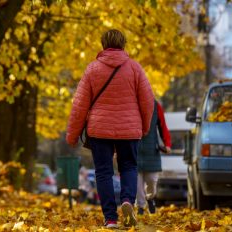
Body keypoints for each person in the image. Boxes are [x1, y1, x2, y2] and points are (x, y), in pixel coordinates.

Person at [66, 29, 154, 228]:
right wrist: (145, 127)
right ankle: (127, 201)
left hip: (100, 129)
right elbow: (148, 102)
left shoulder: (92, 69)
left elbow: (79, 105)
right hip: (129, 128)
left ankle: (110, 219)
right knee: (129, 167)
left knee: (104, 172)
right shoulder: (134, 68)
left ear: (103, 44)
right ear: (123, 44)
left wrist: (72, 136)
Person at [136, 100, 171, 215]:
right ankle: (140, 207)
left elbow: (163, 127)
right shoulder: (130, 103)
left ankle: (150, 198)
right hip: (134, 151)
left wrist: (167, 144)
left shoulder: (156, 106)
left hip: (151, 151)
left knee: (152, 180)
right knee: (137, 184)